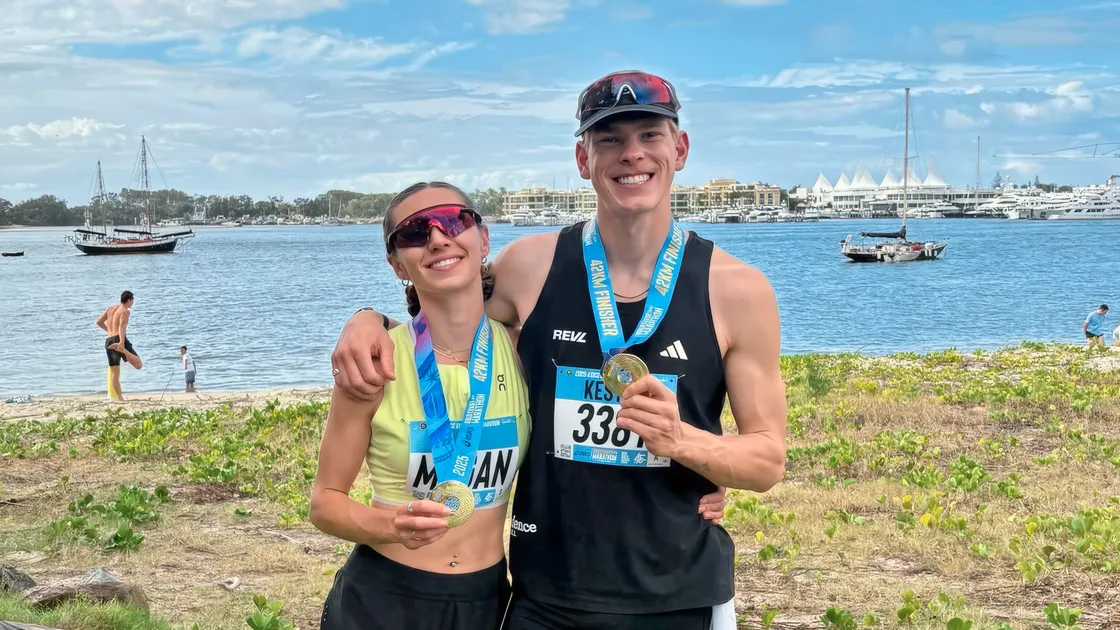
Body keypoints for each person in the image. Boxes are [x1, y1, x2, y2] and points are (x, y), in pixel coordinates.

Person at [330, 69, 787, 629]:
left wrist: (685, 441)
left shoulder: (738, 290)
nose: (631, 155)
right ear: (582, 160)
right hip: (543, 593)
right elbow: (444, 299)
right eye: (610, 140)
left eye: (649, 135)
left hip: (675, 590)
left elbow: (766, 462)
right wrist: (368, 320)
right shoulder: (530, 266)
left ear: (681, 148)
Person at [309, 181, 733, 630]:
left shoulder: (521, 352)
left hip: (488, 599)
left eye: (455, 220)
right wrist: (392, 526)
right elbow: (325, 503)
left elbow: (585, 426)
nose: (437, 238)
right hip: (384, 597)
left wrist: (689, 476)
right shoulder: (378, 364)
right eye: (414, 232)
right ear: (397, 264)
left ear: (483, 239)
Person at [96, 290, 142, 401]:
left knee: (114, 372)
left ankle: (119, 398)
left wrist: (109, 332)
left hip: (108, 341)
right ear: (129, 300)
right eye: (133, 300)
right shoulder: (125, 311)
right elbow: (122, 327)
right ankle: (119, 398)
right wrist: (121, 343)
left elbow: (99, 322)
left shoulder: (111, 309)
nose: (133, 302)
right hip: (118, 339)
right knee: (138, 364)